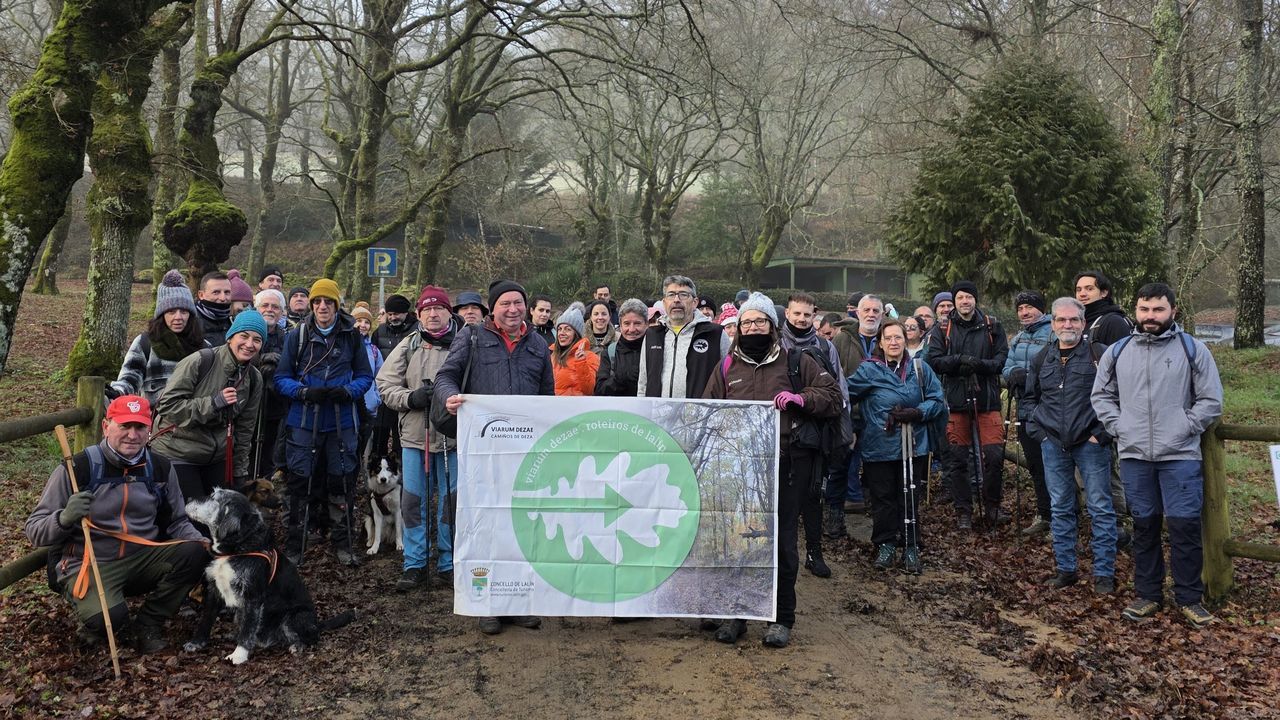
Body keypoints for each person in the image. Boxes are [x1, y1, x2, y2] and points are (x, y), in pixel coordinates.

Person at [703, 292, 841, 648]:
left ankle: (781, 618)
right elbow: (707, 410)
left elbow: (833, 397)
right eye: (746, 322)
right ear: (738, 328)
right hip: (740, 468)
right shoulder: (726, 367)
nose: (752, 328)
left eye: (759, 321)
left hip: (788, 464)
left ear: (772, 325)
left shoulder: (797, 361)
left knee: (781, 544)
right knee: (738, 542)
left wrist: (801, 400)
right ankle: (737, 614)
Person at [25, 395, 209, 654]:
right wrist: (64, 518)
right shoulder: (78, 468)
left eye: (140, 427)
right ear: (105, 426)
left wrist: (203, 544)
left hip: (142, 558)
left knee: (194, 551)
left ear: (150, 429)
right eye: (124, 426)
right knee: (108, 621)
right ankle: (103, 622)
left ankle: (148, 624)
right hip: (89, 563)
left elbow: (177, 521)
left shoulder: (160, 468)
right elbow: (34, 530)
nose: (132, 435)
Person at [1091, 282, 1222, 627]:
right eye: (1144, 310)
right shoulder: (1117, 352)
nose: (1151, 317)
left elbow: (1211, 399)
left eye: (1158, 310)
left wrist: (1186, 425)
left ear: (1172, 311)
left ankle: (1189, 597)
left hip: (1180, 455)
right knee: (1145, 527)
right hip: (1135, 455)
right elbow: (1101, 395)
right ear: (1136, 311)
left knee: (1184, 526)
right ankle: (1148, 595)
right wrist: (1120, 427)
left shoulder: (1193, 350)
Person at [436, 279, 552, 635]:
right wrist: (450, 397)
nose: (513, 309)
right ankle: (486, 602)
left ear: (527, 307)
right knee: (485, 525)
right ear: (493, 308)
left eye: (519, 303)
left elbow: (547, 395)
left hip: (523, 453)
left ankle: (517, 601)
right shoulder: (471, 337)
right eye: (505, 304)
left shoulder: (538, 344)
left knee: (521, 525)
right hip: (483, 451)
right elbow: (445, 377)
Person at [275, 278, 374, 567]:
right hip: (304, 421)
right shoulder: (299, 335)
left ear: (336, 305)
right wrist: (303, 392)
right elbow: (281, 377)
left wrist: (348, 391)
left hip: (342, 422)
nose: (322, 307)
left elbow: (365, 377)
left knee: (342, 483)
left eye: (327, 302)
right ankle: (296, 546)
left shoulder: (352, 336)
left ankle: (343, 545)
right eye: (317, 301)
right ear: (311, 304)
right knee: (299, 484)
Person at [1023, 297, 1118, 595]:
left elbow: (1118, 397)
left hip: (1090, 444)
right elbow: (1029, 399)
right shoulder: (1042, 358)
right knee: (1061, 507)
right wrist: (1038, 432)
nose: (1068, 325)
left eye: (1074, 320)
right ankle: (1066, 569)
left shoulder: (1098, 355)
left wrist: (1102, 434)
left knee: (1100, 508)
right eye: (1062, 320)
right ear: (1052, 324)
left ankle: (1104, 573)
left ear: (1083, 323)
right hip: (1053, 445)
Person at [376, 286, 461, 591]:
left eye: (439, 309)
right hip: (415, 437)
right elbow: (384, 384)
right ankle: (415, 563)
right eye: (426, 310)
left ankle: (449, 562)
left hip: (455, 437)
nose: (433, 314)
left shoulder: (464, 342)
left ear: (448, 312)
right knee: (413, 502)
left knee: (452, 502)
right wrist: (411, 398)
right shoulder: (410, 344)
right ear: (420, 315)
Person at [847, 318, 945, 573]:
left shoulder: (920, 369)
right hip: (879, 446)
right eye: (888, 338)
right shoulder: (869, 370)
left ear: (906, 340)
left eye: (898, 337)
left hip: (913, 444)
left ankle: (911, 545)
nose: (893, 342)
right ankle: (885, 544)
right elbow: (844, 394)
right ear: (880, 342)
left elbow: (937, 399)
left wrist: (917, 412)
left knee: (909, 497)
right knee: (883, 499)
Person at [150, 310, 267, 502]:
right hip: (177, 450)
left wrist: (239, 472)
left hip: (216, 456)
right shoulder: (200, 361)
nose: (249, 344)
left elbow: (246, 430)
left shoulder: (254, 378)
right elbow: (167, 406)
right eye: (244, 336)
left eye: (257, 340)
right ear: (230, 337)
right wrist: (213, 403)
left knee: (222, 516)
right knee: (197, 518)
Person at [923, 281, 1009, 529]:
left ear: (975, 300)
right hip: (956, 400)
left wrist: (979, 366)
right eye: (960, 297)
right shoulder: (943, 327)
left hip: (987, 400)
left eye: (969, 297)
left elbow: (1001, 359)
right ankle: (964, 511)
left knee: (994, 456)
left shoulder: (992, 326)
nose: (964, 301)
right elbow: (936, 361)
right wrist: (961, 360)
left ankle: (992, 506)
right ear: (955, 300)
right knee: (958, 458)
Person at [779, 291, 848, 579]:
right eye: (797, 313)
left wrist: (844, 429)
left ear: (814, 316)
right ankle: (782, 553)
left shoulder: (824, 346)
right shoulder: (775, 343)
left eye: (807, 315)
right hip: (782, 427)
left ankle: (814, 552)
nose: (802, 319)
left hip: (816, 427)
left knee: (813, 493)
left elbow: (841, 388)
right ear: (787, 314)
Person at [825, 294, 884, 536]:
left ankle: (880, 526)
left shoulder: (887, 339)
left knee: (878, 471)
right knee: (839, 467)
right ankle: (834, 519)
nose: (871, 314)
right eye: (866, 310)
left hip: (879, 415)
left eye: (876, 311)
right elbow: (832, 374)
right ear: (857, 313)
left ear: (882, 314)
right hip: (847, 413)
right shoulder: (841, 340)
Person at [107, 269, 205, 404]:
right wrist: (116, 392)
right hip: (155, 422)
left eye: (183, 311)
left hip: (194, 421)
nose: (178, 317)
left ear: (191, 314)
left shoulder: (204, 347)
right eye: (171, 311)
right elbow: (130, 377)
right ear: (161, 314)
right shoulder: (145, 343)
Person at [1001, 290, 1054, 537]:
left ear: (1040, 309)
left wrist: (1029, 376)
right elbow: (1006, 367)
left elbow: (1056, 367)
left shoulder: (1053, 332)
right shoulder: (1019, 337)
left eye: (1029, 308)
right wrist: (1011, 374)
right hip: (1024, 408)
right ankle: (1044, 514)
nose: (1024, 312)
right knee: (1035, 464)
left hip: (1050, 410)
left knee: (1054, 464)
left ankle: (1063, 515)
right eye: (1020, 309)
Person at [638, 275, 730, 399]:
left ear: (694, 302)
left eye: (683, 294)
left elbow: (729, 378)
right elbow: (643, 382)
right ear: (664, 302)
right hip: (658, 415)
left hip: (700, 414)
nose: (676, 300)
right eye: (671, 295)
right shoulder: (652, 335)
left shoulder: (716, 334)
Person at [369, 294, 418, 473]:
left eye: (397, 314)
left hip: (406, 396)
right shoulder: (379, 332)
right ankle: (375, 473)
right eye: (390, 314)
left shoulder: (417, 332)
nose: (393, 318)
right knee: (379, 436)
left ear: (407, 313)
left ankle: (403, 475)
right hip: (383, 393)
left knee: (401, 440)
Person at [253, 289, 289, 481]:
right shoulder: (246, 333)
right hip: (250, 407)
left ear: (282, 312)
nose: (270, 310)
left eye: (275, 307)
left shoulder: (287, 338)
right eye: (265, 305)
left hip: (277, 407)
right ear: (256, 308)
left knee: (271, 453)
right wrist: (260, 360)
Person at [595, 299, 647, 397]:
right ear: (620, 325)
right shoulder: (610, 353)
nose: (631, 329)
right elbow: (599, 390)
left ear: (646, 324)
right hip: (618, 411)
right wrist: (618, 379)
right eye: (627, 323)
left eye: (637, 323)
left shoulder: (654, 351)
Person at [352, 302, 383, 465]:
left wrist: (376, 398)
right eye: (359, 320)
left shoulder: (374, 350)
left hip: (369, 407)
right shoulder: (345, 345)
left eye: (366, 322)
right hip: (349, 406)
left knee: (364, 449)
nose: (362, 325)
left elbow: (381, 376)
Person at [1075, 270, 1133, 346]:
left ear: (1104, 293)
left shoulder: (1114, 322)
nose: (1082, 294)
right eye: (1078, 290)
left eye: (1089, 289)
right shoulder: (1075, 322)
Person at [550, 306, 599, 396]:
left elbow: (589, 390)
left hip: (575, 408)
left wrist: (581, 363)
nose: (562, 333)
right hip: (552, 407)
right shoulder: (552, 356)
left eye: (568, 329)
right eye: (559, 329)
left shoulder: (590, 357)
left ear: (576, 334)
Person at [195, 271, 234, 346]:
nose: (223, 298)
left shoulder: (235, 321)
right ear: (201, 295)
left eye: (227, 292)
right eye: (216, 292)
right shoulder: (190, 323)